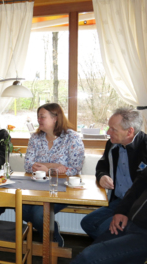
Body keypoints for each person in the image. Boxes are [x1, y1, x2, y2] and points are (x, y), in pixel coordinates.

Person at [81, 107, 147, 240]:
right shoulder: (112, 144)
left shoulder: (144, 147)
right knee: (87, 223)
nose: (107, 132)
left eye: (113, 129)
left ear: (129, 132)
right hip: (118, 201)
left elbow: (141, 187)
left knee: (104, 230)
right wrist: (102, 176)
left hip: (137, 205)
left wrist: (123, 211)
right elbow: (102, 165)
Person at [24, 103, 84, 247]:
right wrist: (56, 166)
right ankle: (48, 230)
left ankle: (53, 237)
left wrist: (47, 168)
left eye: (42, 117)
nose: (39, 120)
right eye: (38, 117)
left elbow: (75, 168)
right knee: (20, 207)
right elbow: (27, 165)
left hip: (63, 189)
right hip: (37, 187)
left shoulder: (72, 138)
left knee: (39, 214)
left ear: (55, 118)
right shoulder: (35, 138)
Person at [71, 173, 147, 264]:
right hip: (130, 222)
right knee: (88, 253)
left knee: (88, 257)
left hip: (143, 233)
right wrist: (121, 211)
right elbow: (137, 186)